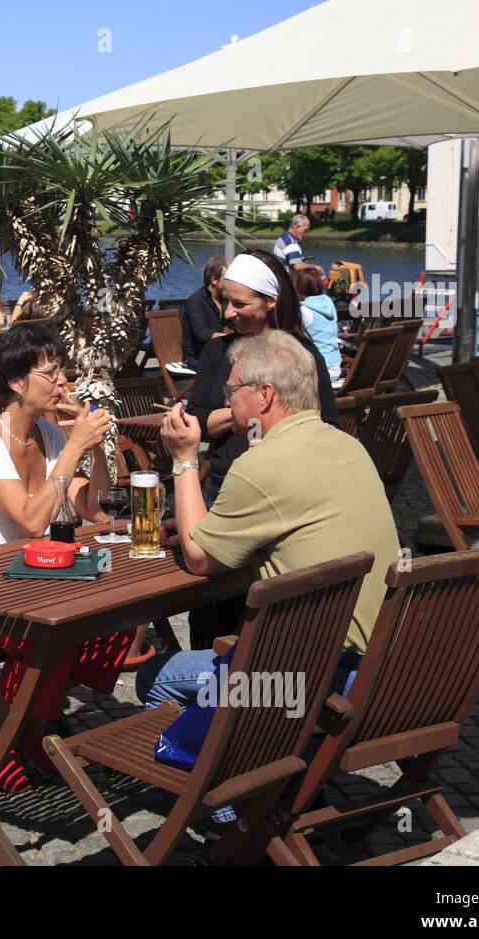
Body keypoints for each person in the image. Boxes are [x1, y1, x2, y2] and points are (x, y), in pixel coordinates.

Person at [136, 330, 400, 709]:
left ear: (264, 394)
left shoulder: (260, 466)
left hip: (323, 677)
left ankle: (223, 765)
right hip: (388, 664)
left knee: (155, 676)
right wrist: (211, 525)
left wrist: (183, 457)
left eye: (231, 391)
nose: (226, 400)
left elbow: (197, 558)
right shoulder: (350, 446)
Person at [0, 323, 132, 792]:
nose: (63, 382)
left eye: (62, 370)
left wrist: (94, 447)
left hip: (23, 582)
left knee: (108, 614)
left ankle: (33, 726)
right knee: (49, 632)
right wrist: (75, 446)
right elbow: (27, 519)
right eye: (52, 372)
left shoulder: (47, 435)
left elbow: (95, 508)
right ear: (18, 383)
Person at [180, 250, 340, 650]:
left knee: (270, 607)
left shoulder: (301, 357)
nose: (227, 313)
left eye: (239, 303)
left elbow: (327, 429)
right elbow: (196, 419)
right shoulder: (219, 351)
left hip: (285, 497)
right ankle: (211, 690)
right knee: (213, 606)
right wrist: (239, 414)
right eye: (224, 301)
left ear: (271, 301)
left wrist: (239, 415)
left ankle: (261, 687)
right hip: (225, 490)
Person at [294, 269, 343, 385]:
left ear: (300, 288)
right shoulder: (328, 304)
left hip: (318, 371)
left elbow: (290, 334)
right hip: (335, 367)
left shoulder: (305, 311)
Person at [179, 256, 228, 368]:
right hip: (196, 357)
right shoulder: (196, 301)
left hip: (216, 352)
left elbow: (231, 325)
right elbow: (201, 333)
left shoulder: (223, 300)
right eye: (226, 278)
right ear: (214, 280)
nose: (229, 282)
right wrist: (226, 337)